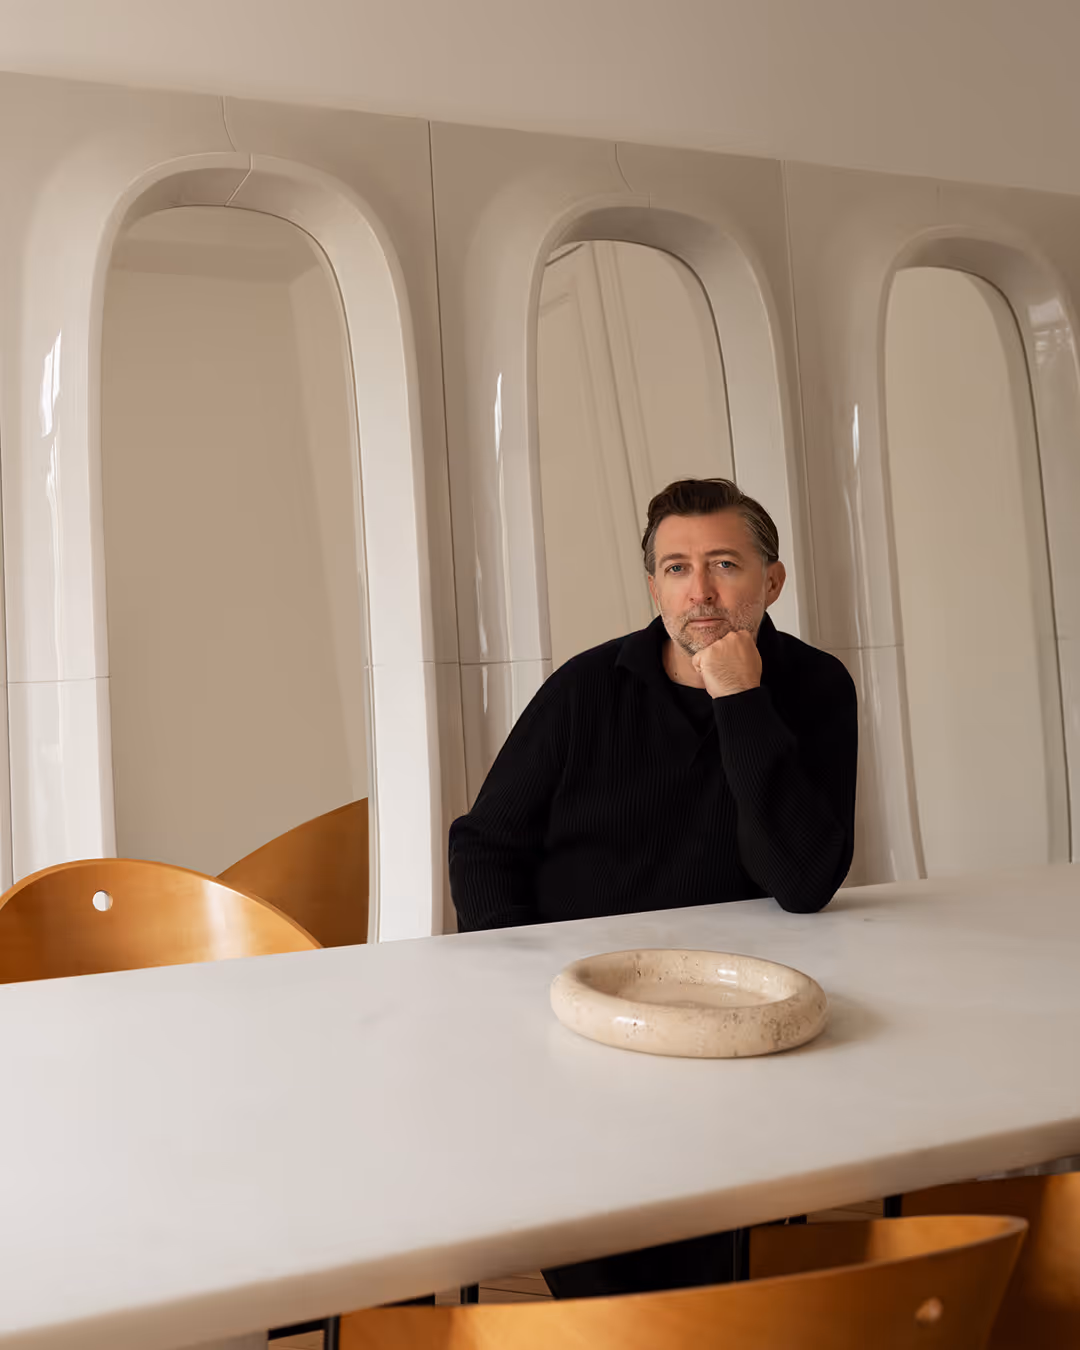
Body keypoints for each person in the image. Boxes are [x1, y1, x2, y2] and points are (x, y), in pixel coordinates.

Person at [449, 477, 858, 1297]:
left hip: (734, 1009)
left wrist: (741, 697)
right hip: (582, 1006)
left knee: (714, 1251)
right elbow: (485, 844)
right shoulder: (585, 688)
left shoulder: (814, 688)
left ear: (772, 581)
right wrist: (530, 981)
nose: (699, 591)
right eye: (676, 568)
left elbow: (804, 881)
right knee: (611, 1255)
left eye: (723, 565)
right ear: (652, 586)